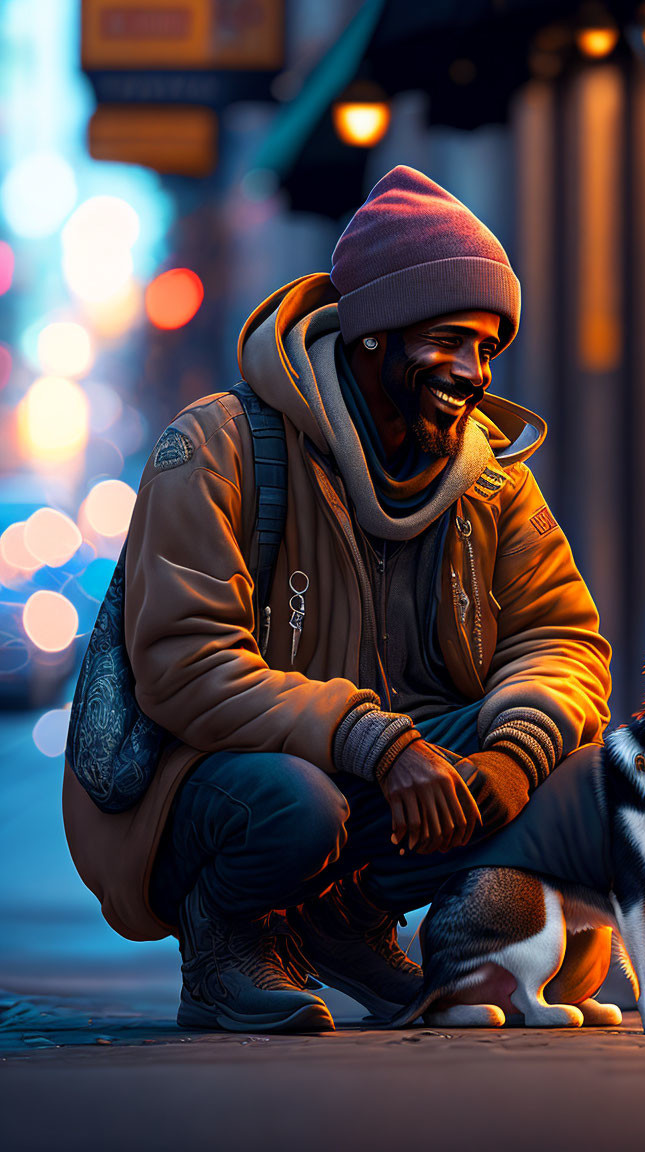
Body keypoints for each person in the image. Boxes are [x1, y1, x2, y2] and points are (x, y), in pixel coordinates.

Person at [62, 166, 612, 1033]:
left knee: (580, 781)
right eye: (447, 340)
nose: (472, 372)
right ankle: (227, 941)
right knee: (297, 805)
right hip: (208, 786)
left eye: (487, 348)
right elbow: (183, 666)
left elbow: (561, 639)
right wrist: (375, 742)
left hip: (380, 776)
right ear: (371, 337)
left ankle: (347, 920)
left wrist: (515, 753)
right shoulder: (216, 447)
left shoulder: (494, 484)